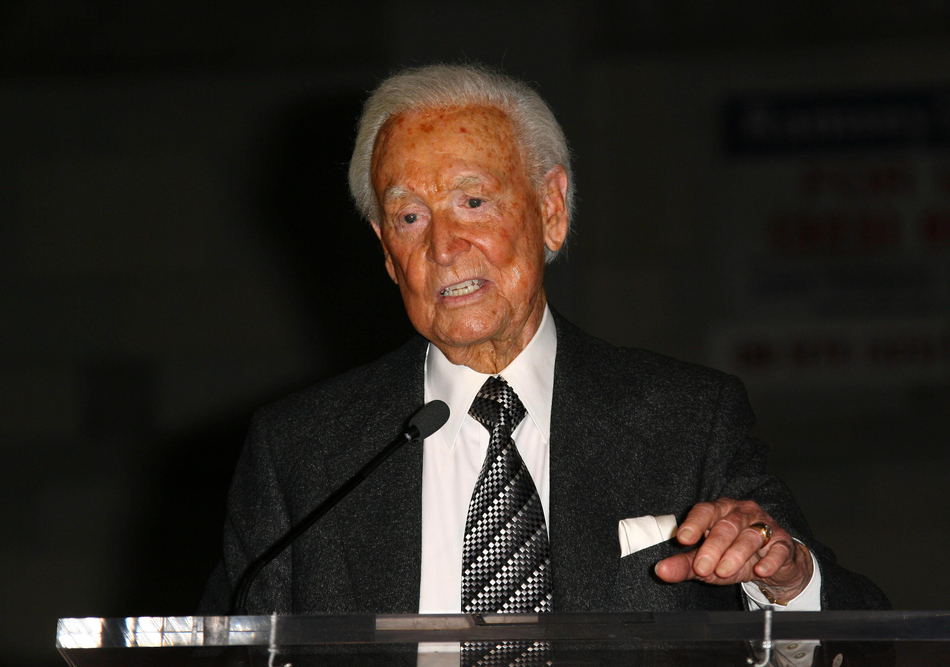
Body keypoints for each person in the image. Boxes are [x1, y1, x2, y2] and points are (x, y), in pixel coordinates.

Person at [201, 64, 888, 625]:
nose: (443, 247)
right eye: (409, 216)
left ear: (551, 209)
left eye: (473, 202)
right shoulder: (302, 453)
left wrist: (786, 582)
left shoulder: (687, 421)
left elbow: (862, 638)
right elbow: (222, 649)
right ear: (386, 250)